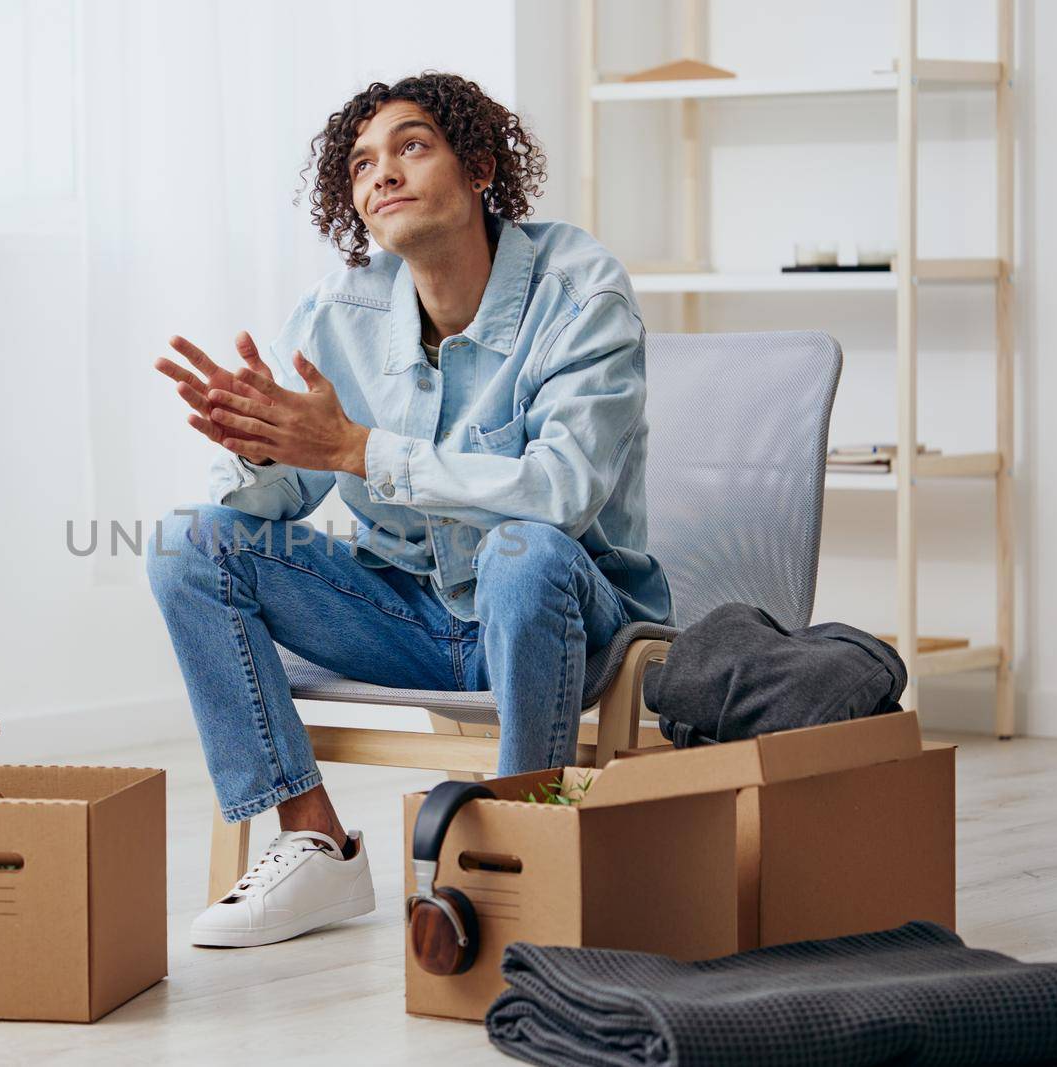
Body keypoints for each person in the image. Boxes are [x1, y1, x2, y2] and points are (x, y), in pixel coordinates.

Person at [146, 72, 674, 949]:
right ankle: (314, 839)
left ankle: (518, 845)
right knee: (186, 543)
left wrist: (360, 450)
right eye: (360, 164)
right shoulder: (338, 311)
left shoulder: (581, 294)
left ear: (480, 167)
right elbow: (285, 494)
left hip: (577, 623)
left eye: (411, 145)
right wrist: (258, 446)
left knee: (522, 554)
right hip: (409, 617)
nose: (381, 173)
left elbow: (562, 494)